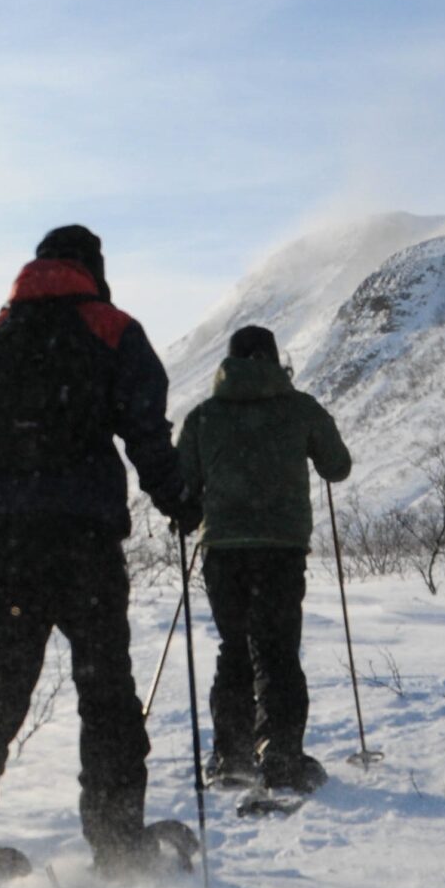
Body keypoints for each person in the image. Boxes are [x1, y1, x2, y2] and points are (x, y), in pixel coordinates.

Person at [0, 225, 196, 879]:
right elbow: (146, 432)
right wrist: (179, 500)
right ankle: (117, 843)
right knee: (105, 692)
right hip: (82, 539)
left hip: (0, 544)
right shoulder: (112, 329)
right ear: (94, 269)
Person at [175, 324, 352, 795]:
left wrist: (192, 511)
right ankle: (280, 755)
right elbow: (338, 466)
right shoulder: (300, 409)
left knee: (235, 645)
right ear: (277, 361)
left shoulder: (204, 417)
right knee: (275, 649)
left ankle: (231, 755)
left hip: (223, 552)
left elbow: (182, 488)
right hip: (280, 548)